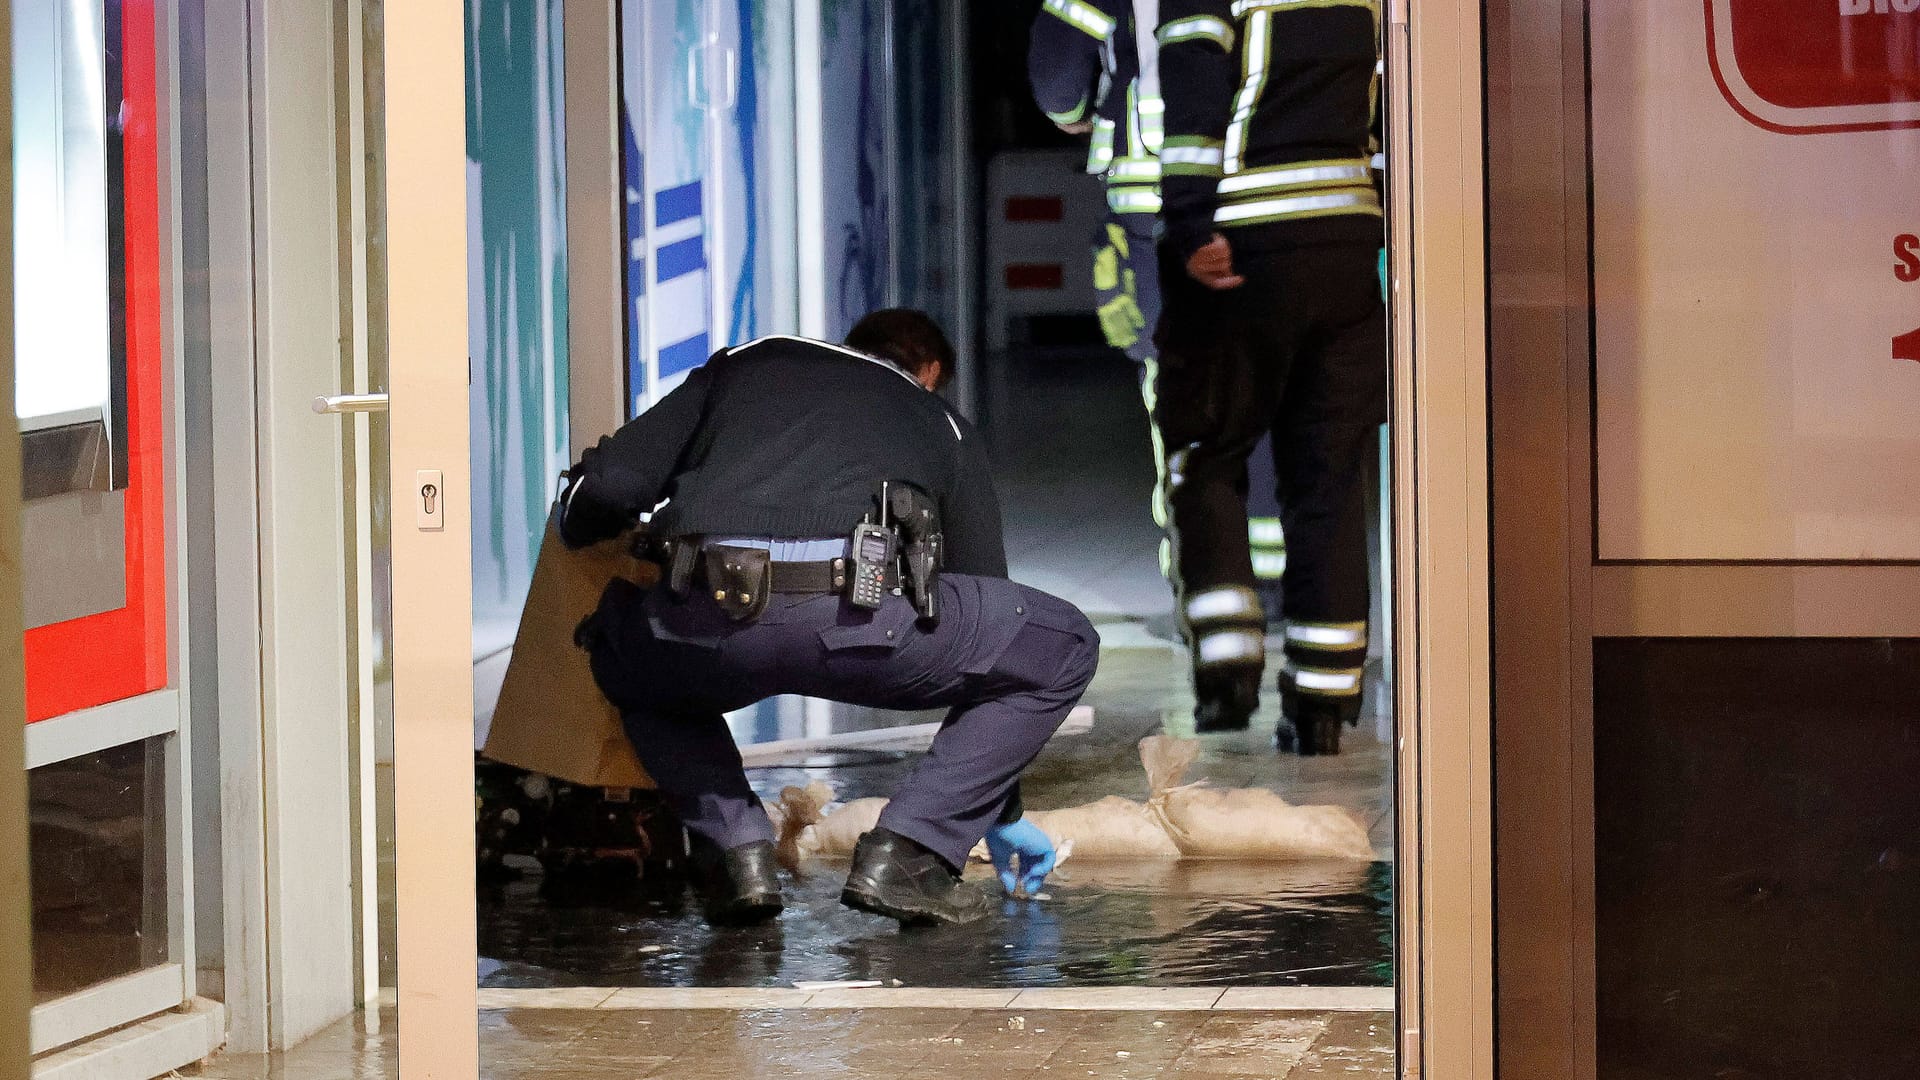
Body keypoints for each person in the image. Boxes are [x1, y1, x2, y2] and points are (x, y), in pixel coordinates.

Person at [559, 311, 1098, 927]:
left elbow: (605, 488)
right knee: (1064, 644)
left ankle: (737, 853)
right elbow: (989, 606)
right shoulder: (942, 420)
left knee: (627, 658)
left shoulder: (746, 365)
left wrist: (574, 525)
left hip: (706, 623)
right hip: (868, 629)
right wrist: (997, 813)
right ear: (926, 373)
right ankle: (912, 854)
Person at [1153, 0, 1387, 753]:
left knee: (1206, 454)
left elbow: (1192, 109)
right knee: (1330, 479)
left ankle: (1228, 680)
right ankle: (1323, 706)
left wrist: (1191, 225)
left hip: (1245, 249)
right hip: (1350, 252)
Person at [1026, 0, 1290, 655]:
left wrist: (1078, 116)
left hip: (1158, 203)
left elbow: (1058, 75)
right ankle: (1279, 585)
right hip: (1272, 198)